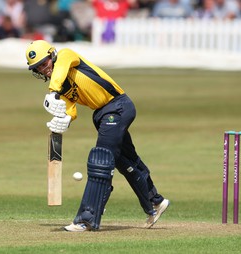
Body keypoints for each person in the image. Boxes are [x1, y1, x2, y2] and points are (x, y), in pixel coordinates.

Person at [25, 40, 170, 232]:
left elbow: (59, 74)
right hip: (102, 115)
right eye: (38, 68)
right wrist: (64, 120)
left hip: (117, 106)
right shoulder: (59, 89)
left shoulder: (66, 56)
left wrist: (53, 92)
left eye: (44, 63)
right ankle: (155, 201)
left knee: (100, 159)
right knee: (125, 160)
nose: (44, 70)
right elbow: (70, 109)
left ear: (52, 55)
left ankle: (86, 218)